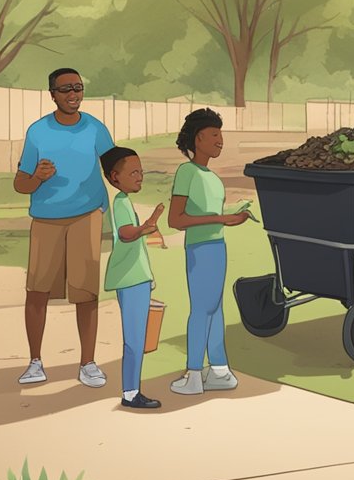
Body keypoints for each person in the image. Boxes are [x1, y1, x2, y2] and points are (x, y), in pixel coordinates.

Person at [14, 68, 116, 388]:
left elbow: (116, 168)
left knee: (86, 293)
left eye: (78, 88)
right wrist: (37, 178)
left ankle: (87, 363)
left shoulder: (96, 129)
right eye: (66, 89)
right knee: (38, 292)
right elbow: (20, 183)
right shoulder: (38, 132)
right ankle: (35, 362)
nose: (73, 94)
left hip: (86, 216)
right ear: (53, 94)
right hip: (46, 219)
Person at [168, 108, 250, 395]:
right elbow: (175, 220)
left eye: (220, 134)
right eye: (214, 134)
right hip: (200, 248)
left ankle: (219, 370)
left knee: (215, 309)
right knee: (202, 310)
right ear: (198, 138)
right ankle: (194, 373)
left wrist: (231, 216)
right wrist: (221, 219)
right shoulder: (187, 172)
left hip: (216, 247)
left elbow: (211, 215)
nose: (220, 140)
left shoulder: (212, 178)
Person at [101, 146, 164, 410]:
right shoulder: (121, 203)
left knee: (138, 337)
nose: (140, 177)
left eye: (141, 171)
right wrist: (145, 227)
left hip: (136, 278)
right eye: (134, 172)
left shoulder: (124, 201)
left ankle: (132, 389)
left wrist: (148, 223)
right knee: (135, 338)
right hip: (131, 279)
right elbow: (126, 234)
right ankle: (130, 392)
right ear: (115, 177)